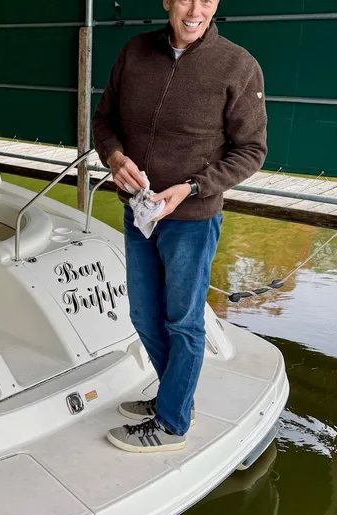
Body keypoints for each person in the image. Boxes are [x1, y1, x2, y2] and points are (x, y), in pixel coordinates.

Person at [91, 0, 268, 452]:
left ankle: (172, 424)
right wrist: (114, 157)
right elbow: (104, 120)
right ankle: (173, 398)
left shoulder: (238, 65)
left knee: (184, 323)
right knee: (143, 315)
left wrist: (191, 188)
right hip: (138, 211)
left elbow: (251, 150)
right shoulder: (134, 52)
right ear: (167, 1)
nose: (195, 10)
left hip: (191, 218)